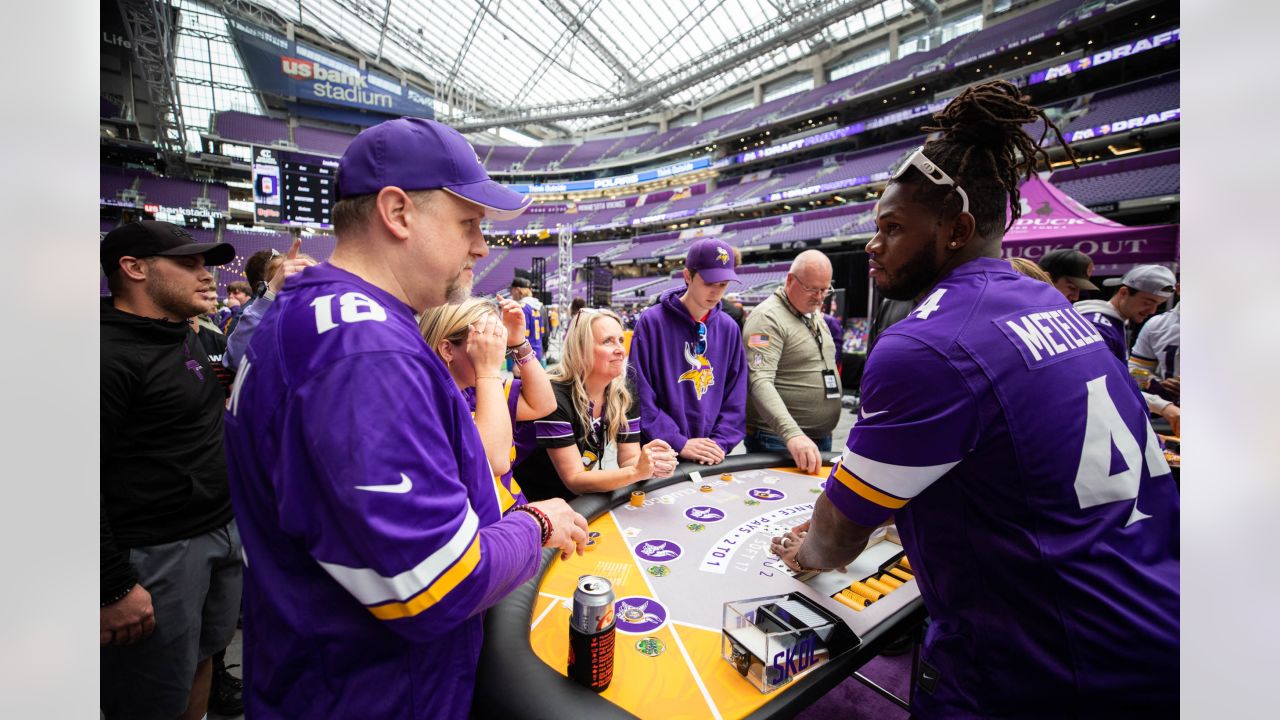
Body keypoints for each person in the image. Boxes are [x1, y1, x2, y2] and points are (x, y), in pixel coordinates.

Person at [770, 81, 1178, 718]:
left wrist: (810, 550)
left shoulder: (927, 346)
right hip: (1152, 614)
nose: (874, 245)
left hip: (1048, 658)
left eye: (893, 227)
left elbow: (835, 537)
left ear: (957, 229)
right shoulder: (1053, 304)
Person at [222, 117, 588, 719]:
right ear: (397, 212)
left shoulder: (310, 315)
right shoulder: (365, 350)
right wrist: (537, 527)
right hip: (372, 693)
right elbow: (434, 586)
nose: (481, 246)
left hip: (317, 674)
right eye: (469, 223)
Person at [100, 220, 244, 720]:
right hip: (155, 551)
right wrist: (111, 585)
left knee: (202, 658)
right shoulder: (105, 355)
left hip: (217, 532)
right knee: (150, 696)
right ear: (134, 269)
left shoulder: (183, 334)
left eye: (205, 264)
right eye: (189, 263)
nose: (206, 275)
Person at [518, 307, 679, 502]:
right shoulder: (553, 394)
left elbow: (629, 459)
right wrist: (637, 472)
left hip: (578, 500)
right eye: (607, 341)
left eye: (621, 340)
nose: (620, 349)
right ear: (581, 348)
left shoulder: (623, 391)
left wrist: (652, 463)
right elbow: (574, 479)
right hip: (534, 504)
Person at [419, 296, 557, 513]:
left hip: (514, 516)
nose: (497, 350)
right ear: (448, 350)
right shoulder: (430, 403)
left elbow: (543, 404)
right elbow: (495, 461)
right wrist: (487, 370)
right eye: (484, 340)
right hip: (485, 532)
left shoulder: (477, 389)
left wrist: (518, 343)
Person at [629, 237, 747, 465]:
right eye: (708, 282)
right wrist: (678, 441)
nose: (715, 292)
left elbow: (736, 396)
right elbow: (638, 392)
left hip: (711, 453)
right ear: (687, 276)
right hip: (662, 451)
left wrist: (718, 444)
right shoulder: (652, 322)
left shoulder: (729, 328)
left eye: (722, 285)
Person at [742, 249, 841, 474]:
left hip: (817, 439)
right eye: (812, 289)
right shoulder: (767, 318)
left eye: (824, 290)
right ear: (790, 280)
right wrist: (792, 433)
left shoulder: (810, 311)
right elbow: (759, 381)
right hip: (780, 440)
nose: (819, 297)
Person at [1075, 264, 1180, 433]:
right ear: (1123, 293)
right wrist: (1163, 406)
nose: (1152, 311)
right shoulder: (1100, 326)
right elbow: (1108, 386)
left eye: (1158, 304)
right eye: (1148, 302)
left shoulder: (1113, 321)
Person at [223, 238, 316, 369]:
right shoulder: (259, 321)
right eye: (285, 286)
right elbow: (236, 359)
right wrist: (269, 293)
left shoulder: (324, 321)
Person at [1129, 283, 1180, 407]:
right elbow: (1134, 369)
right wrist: (1155, 384)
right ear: (1179, 288)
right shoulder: (1156, 325)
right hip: (1173, 412)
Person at [509, 276, 545, 364]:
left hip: (525, 354)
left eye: (512, 290)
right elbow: (546, 332)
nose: (511, 293)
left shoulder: (522, 307)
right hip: (538, 350)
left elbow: (522, 334)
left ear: (517, 289)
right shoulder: (539, 306)